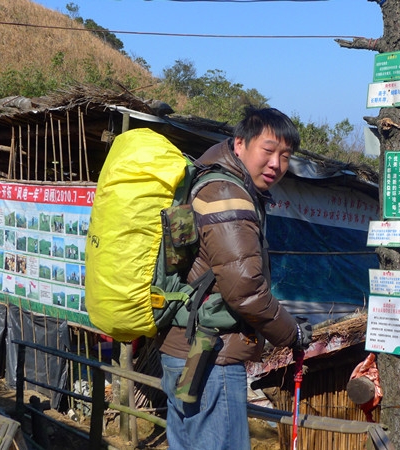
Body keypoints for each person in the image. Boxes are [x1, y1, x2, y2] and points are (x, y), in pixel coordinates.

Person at [158, 107, 313, 450]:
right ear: (240, 144)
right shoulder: (227, 194)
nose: (276, 164)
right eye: (269, 150)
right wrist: (293, 333)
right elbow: (244, 289)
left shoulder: (209, 180)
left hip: (184, 350)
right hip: (211, 358)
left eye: (285, 156)